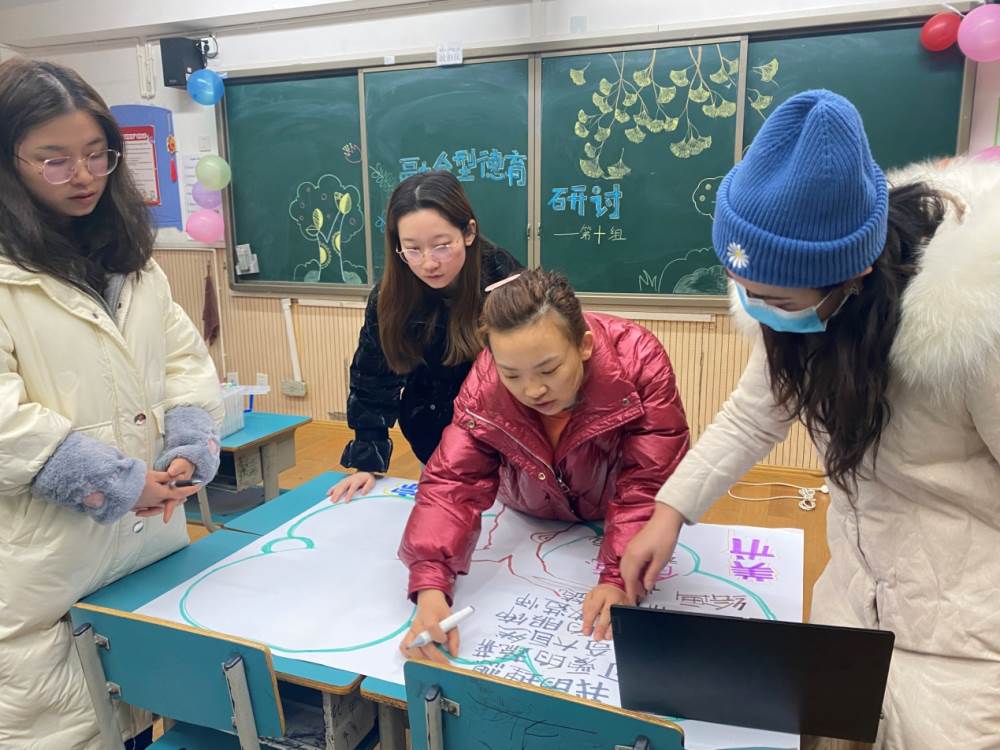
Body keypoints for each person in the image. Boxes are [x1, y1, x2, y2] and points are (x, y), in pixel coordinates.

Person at [620, 90, 1000, 748]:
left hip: (966, 635)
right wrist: (670, 512)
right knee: (824, 734)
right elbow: (752, 415)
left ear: (853, 274)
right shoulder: (798, 311)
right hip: (852, 592)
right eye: (745, 291)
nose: (758, 310)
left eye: (776, 299)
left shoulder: (972, 333)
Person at [0, 58, 223, 749]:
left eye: (98, 154)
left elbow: (183, 359)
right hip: (47, 565)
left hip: (146, 543)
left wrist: (187, 443)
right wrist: (117, 482)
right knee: (69, 727)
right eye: (55, 160)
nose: (85, 176)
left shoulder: (131, 258)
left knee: (146, 710)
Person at [386, 268, 689, 660]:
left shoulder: (638, 360)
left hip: (609, 507)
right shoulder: (485, 383)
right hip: (526, 509)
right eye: (512, 374)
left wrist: (618, 576)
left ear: (584, 345)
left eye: (549, 370)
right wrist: (430, 586)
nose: (533, 390)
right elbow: (452, 484)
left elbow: (649, 478)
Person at [328, 171, 521, 501]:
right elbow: (372, 378)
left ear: (469, 232)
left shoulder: (505, 282)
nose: (429, 263)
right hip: (432, 438)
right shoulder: (391, 296)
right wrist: (367, 462)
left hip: (505, 445)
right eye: (413, 249)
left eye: (442, 246)